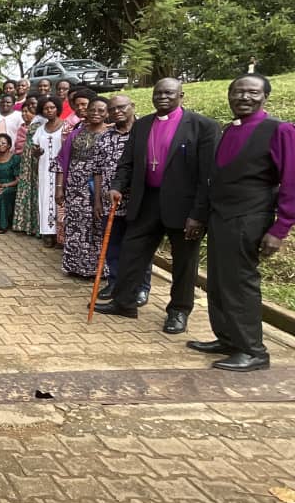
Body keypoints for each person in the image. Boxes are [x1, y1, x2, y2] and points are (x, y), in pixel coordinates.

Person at [95, 78, 220, 335]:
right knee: (132, 252)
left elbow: (208, 175)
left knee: (184, 262)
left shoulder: (203, 126)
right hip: (147, 200)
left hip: (184, 206)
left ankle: (178, 311)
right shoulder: (142, 125)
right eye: (158, 93)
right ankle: (124, 302)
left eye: (169, 93)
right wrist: (117, 186)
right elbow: (127, 163)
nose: (162, 96)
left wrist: (199, 214)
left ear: (181, 95)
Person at [188, 74, 294, 371]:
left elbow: (291, 181)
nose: (244, 97)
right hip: (221, 217)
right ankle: (228, 339)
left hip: (249, 217)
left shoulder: (279, 130)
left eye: (252, 92)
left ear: (265, 97)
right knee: (219, 282)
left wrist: (281, 228)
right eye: (238, 92)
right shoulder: (230, 128)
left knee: (240, 284)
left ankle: (253, 351)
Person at [91, 94, 151, 305]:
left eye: (121, 107)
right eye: (112, 109)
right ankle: (115, 282)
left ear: (132, 106)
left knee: (140, 247)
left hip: (139, 202)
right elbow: (97, 170)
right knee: (113, 246)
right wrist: (97, 200)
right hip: (111, 202)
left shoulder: (146, 132)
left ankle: (141, 287)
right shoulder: (105, 137)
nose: (117, 112)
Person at [55, 96, 109, 276]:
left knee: (97, 227)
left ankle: (96, 269)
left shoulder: (110, 135)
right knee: (76, 226)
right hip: (75, 189)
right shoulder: (76, 133)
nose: (95, 113)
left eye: (101, 110)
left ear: (107, 113)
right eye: (92, 109)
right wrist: (59, 188)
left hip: (99, 189)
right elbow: (61, 160)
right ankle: (75, 266)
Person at [32, 96, 65, 248]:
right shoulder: (40, 129)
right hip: (44, 169)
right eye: (46, 108)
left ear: (57, 109)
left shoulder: (66, 127)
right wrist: (36, 152)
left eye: (52, 107)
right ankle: (47, 233)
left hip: (62, 170)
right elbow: (34, 150)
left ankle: (60, 235)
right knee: (45, 199)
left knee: (60, 199)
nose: (49, 110)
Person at [12, 101, 42, 236]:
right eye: (23, 111)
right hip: (25, 161)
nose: (25, 114)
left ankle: (37, 227)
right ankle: (25, 224)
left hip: (36, 160)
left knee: (36, 190)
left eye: (28, 111)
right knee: (26, 190)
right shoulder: (23, 128)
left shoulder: (42, 124)